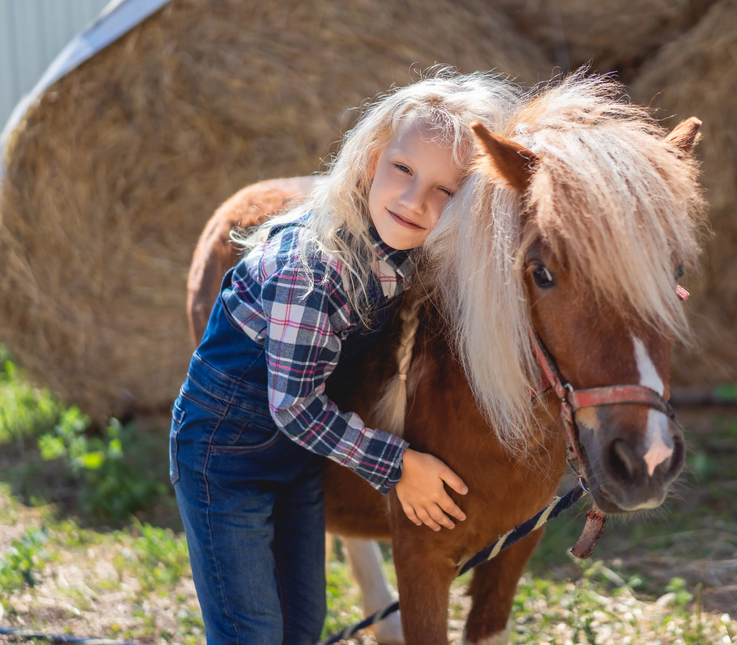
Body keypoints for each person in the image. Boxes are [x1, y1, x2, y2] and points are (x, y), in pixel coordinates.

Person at [168, 71, 520, 645]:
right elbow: (296, 408)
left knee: (300, 625)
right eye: (403, 170)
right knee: (250, 631)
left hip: (295, 462)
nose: (415, 201)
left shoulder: (403, 246)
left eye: (445, 191)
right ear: (370, 159)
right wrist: (400, 464)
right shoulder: (312, 270)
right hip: (225, 458)